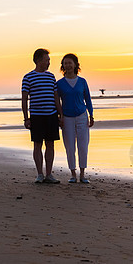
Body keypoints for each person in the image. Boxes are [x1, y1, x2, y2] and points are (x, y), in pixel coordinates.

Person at [22, 48, 63, 184]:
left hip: (51, 115)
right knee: (37, 145)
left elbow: (56, 97)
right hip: (36, 116)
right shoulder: (28, 77)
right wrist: (26, 118)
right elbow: (24, 99)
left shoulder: (51, 76)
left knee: (50, 144)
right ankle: (40, 174)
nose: (49, 63)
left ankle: (49, 174)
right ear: (39, 60)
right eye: (47, 60)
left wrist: (60, 115)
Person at [56, 53, 94, 184]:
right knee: (69, 146)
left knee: (83, 146)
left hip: (82, 116)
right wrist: (59, 116)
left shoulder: (82, 81)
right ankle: (73, 174)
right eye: (65, 63)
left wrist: (91, 114)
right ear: (63, 66)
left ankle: (82, 174)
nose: (68, 65)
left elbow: (87, 99)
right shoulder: (59, 84)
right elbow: (57, 102)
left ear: (75, 64)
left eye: (70, 63)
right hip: (67, 118)